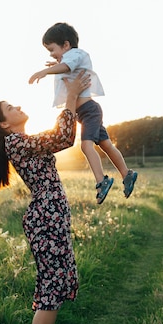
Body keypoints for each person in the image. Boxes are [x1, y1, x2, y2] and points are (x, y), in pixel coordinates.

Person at [0, 70, 90, 324]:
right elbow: (63, 138)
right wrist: (72, 95)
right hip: (45, 217)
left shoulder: (24, 142)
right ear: (4, 124)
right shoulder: (14, 142)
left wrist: (72, 98)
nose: (17, 107)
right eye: (9, 108)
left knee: (56, 287)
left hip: (51, 215)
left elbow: (58, 136)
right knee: (50, 294)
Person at [28, 22, 137, 204]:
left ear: (66, 45)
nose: (52, 54)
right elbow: (65, 65)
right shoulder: (70, 57)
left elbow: (66, 67)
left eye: (52, 49)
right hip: (85, 112)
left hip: (88, 111)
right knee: (107, 145)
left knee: (86, 146)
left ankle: (102, 181)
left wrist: (45, 71)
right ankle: (127, 174)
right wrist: (56, 62)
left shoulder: (76, 54)